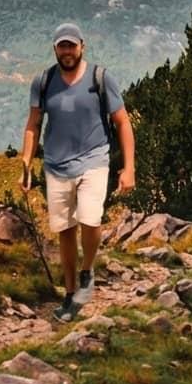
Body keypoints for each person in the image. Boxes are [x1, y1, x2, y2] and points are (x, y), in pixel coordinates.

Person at [21, 22, 135, 322]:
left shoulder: (100, 78)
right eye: (62, 46)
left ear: (82, 46)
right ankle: (70, 295)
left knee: (90, 217)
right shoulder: (43, 81)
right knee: (66, 231)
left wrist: (129, 168)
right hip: (56, 165)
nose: (67, 51)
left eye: (71, 45)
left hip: (94, 159)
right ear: (55, 49)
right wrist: (26, 164)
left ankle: (87, 271)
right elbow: (33, 125)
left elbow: (123, 122)